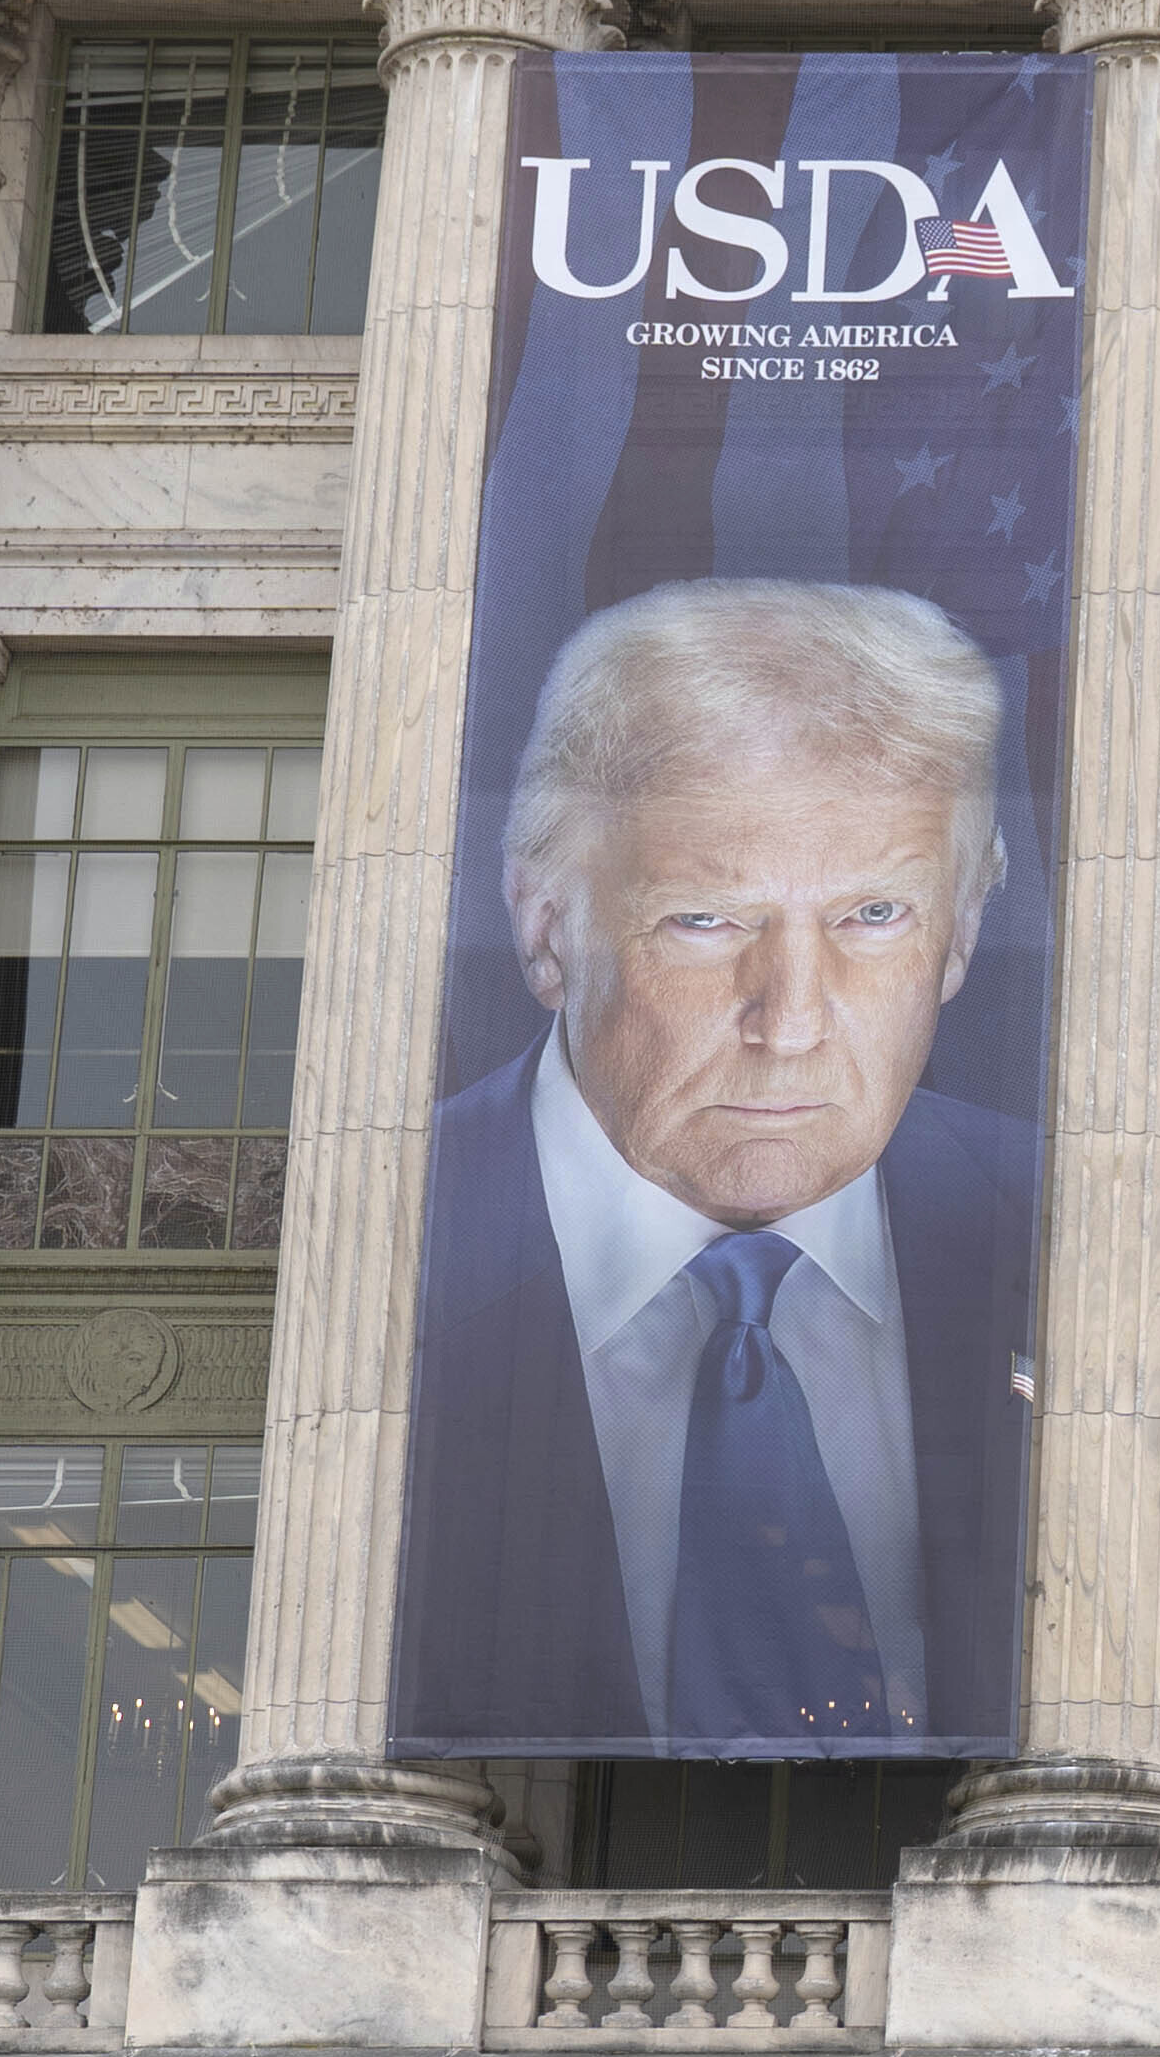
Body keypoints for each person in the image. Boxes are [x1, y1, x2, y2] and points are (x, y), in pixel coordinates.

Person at [391, 578, 1029, 1758]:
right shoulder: (387, 1224)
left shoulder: (1059, 1228)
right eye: (707, 921)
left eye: (874, 913)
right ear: (545, 929)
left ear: (965, 934)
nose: (789, 1020)